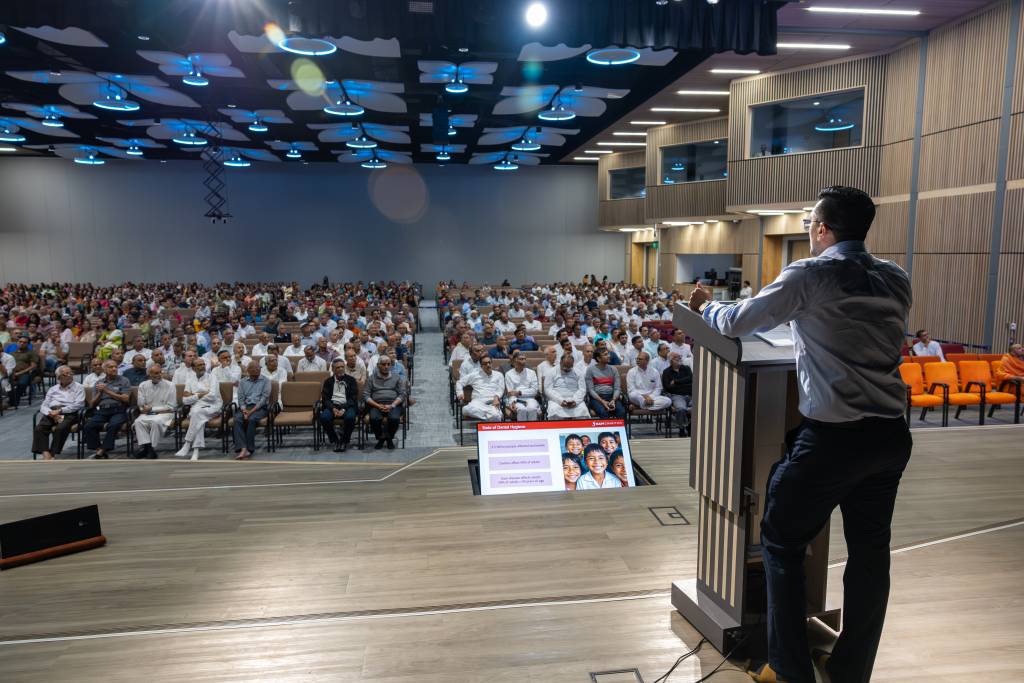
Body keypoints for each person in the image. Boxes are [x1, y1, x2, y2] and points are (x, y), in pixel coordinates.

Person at [690, 186, 913, 683]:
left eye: (811, 222)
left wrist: (706, 307)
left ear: (823, 228)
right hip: (889, 436)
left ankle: (790, 671)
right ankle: (850, 670)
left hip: (834, 440)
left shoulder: (810, 274)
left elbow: (738, 322)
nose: (809, 229)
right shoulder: (895, 276)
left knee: (781, 541)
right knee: (870, 555)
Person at [32, 365, 85, 460]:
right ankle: (45, 453)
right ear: (59, 377)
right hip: (52, 412)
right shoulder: (53, 389)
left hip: (69, 412)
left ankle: (53, 453)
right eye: (66, 374)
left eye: (70, 373)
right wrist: (50, 413)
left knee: (60, 428)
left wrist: (60, 411)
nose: (69, 375)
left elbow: (78, 405)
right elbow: (44, 405)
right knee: (39, 428)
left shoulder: (79, 387)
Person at [83, 359, 132, 459]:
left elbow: (126, 399)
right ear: (104, 369)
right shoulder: (99, 382)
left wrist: (107, 391)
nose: (114, 369)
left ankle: (102, 450)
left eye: (115, 367)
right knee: (89, 426)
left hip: (118, 410)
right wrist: (100, 393)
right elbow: (92, 404)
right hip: (102, 410)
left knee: (113, 425)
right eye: (111, 367)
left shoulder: (124, 380)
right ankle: (99, 449)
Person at [176, 358, 223, 461]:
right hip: (197, 407)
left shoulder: (212, 377)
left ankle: (187, 443)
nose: (202, 367)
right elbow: (185, 400)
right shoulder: (190, 380)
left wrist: (193, 395)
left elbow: (213, 396)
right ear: (193, 368)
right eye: (199, 365)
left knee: (196, 413)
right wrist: (200, 395)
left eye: (203, 364)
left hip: (213, 406)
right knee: (198, 417)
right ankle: (195, 450)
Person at [132, 363, 177, 459]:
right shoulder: (143, 385)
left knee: (155, 421)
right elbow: (141, 404)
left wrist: (152, 409)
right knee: (138, 422)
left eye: (160, 372)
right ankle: (149, 450)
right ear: (149, 374)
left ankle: (149, 448)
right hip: (148, 413)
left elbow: (172, 406)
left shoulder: (170, 385)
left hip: (165, 413)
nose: (159, 375)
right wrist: (143, 409)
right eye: (156, 373)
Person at [363, 356, 406, 449]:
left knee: (394, 419)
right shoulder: (372, 378)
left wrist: (392, 405)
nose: (386, 366)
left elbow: (402, 394)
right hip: (376, 404)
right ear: (378, 365)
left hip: (393, 404)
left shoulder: (396, 377)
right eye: (383, 364)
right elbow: (366, 395)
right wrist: (377, 405)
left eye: (388, 364)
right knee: (374, 419)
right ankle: (381, 437)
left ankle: (388, 438)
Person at [233, 361, 271, 460]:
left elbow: (264, 399)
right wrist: (244, 410)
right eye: (255, 368)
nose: (257, 370)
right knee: (237, 419)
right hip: (246, 407)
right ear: (248, 370)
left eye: (259, 368)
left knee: (251, 419)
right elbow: (240, 399)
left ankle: (250, 449)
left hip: (260, 408)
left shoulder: (266, 381)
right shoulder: (243, 382)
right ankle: (243, 448)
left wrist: (251, 412)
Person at [319, 358, 359, 453]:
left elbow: (353, 398)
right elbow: (325, 398)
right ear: (333, 369)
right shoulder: (328, 381)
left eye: (342, 367)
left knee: (350, 418)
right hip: (333, 405)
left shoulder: (351, 380)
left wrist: (343, 409)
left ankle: (344, 441)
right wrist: (333, 408)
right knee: (324, 417)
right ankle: (335, 440)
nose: (340, 369)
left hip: (347, 405)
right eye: (338, 368)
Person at [457, 355, 506, 422]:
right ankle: (490, 416)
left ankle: (489, 417)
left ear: (492, 363)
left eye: (489, 362)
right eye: (485, 363)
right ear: (481, 366)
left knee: (495, 415)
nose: (488, 365)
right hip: (478, 402)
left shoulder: (499, 375)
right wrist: (460, 393)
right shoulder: (475, 375)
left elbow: (501, 389)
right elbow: (459, 382)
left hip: (492, 402)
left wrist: (496, 397)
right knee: (465, 410)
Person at [545, 352, 589, 418]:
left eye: (569, 367)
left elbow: (582, 389)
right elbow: (548, 389)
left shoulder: (578, 372)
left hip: (575, 399)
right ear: (560, 363)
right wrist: (560, 401)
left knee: (583, 410)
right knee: (554, 410)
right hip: (556, 400)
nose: (567, 369)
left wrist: (575, 401)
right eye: (564, 367)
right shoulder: (551, 372)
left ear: (573, 364)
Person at [586, 348, 624, 418]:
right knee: (603, 412)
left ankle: (619, 426)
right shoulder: (590, 370)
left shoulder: (613, 369)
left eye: (608, 354)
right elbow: (591, 390)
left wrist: (613, 400)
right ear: (599, 358)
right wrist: (602, 401)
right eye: (605, 354)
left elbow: (617, 388)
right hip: (597, 398)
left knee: (621, 411)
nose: (609, 356)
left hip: (612, 396)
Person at [662, 352, 693, 437]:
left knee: (700, 407)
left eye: (680, 357)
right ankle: (682, 428)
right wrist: (685, 384)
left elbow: (691, 379)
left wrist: (676, 382)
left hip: (690, 394)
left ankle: (690, 426)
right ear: (671, 360)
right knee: (681, 409)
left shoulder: (686, 368)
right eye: (676, 357)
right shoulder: (667, 372)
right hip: (677, 395)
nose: (679, 358)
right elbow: (668, 387)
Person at [504, 351, 540, 421]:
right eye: (521, 359)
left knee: (532, 409)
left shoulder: (532, 373)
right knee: (521, 409)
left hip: (530, 398)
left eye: (525, 359)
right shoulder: (508, 374)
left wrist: (519, 392)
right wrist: (513, 402)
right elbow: (511, 393)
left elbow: (534, 391)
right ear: (515, 360)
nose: (524, 361)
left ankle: (532, 427)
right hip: (516, 399)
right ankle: (522, 428)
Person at [8, 335, 38, 407]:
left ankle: (14, 402)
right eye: (20, 342)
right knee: (6, 383)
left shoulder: (31, 353)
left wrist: (19, 373)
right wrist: (12, 373)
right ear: (17, 342)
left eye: (24, 342)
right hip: (12, 373)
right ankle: (11, 401)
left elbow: (33, 366)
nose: (22, 343)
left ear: (28, 344)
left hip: (25, 373)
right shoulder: (12, 353)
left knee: (22, 383)